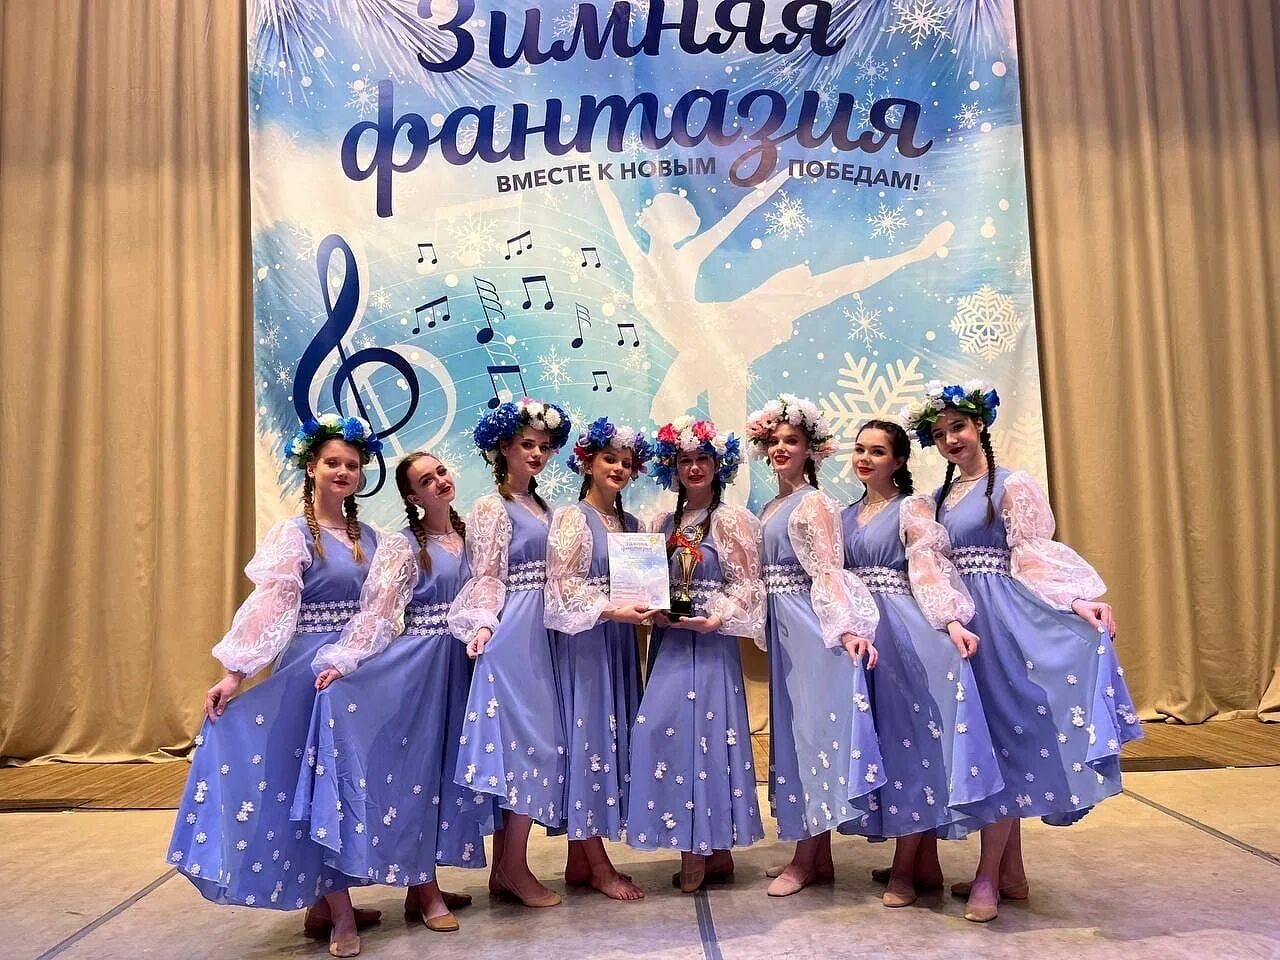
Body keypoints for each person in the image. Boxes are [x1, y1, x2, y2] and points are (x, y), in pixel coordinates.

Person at [904, 380, 1143, 922]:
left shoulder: (1012, 485)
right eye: (939, 434)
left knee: (1004, 744)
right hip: (960, 624)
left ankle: (989, 876)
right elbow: (932, 567)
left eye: (958, 427)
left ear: (980, 425)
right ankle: (1010, 872)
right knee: (984, 743)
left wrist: (1076, 600)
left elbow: (1032, 555)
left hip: (1002, 623)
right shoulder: (936, 500)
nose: (950, 440)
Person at [167, 414, 384, 958]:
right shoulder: (293, 534)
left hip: (353, 675)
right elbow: (271, 607)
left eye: (351, 464)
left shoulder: (371, 539)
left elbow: (381, 611)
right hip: (309, 675)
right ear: (311, 467)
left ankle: (324, 904)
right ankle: (340, 916)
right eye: (332, 462)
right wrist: (235, 672)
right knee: (314, 788)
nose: (343, 471)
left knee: (341, 788)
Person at [291, 451, 484, 936]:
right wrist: (344, 660)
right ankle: (425, 889)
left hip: (461, 667)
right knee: (415, 777)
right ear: (413, 498)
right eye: (426, 480)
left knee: (444, 777)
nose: (439, 482)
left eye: (441, 472)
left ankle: (423, 885)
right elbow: (379, 612)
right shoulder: (402, 546)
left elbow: (488, 593)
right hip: (418, 669)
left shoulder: (472, 538)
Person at [839, 419, 1002, 908]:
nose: (865, 458)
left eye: (878, 451)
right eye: (860, 449)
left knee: (910, 746)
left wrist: (951, 621)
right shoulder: (844, 515)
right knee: (884, 745)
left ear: (899, 460)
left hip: (903, 634)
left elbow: (928, 568)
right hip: (864, 636)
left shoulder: (912, 507)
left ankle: (907, 868)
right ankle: (923, 861)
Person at [746, 395, 883, 897]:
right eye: (774, 441)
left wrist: (846, 629)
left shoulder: (815, 503)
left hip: (810, 629)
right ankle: (815, 854)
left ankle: (807, 859)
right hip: (784, 631)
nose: (781, 448)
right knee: (793, 735)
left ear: (811, 450)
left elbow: (828, 571)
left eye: (792, 441)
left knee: (813, 737)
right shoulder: (771, 506)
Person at [627, 418, 766, 893]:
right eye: (684, 459)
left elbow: (747, 585)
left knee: (707, 736)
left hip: (709, 643)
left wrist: (715, 616)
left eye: (702, 458)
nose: (693, 467)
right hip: (671, 641)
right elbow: (646, 584)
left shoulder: (733, 521)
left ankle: (704, 851)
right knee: (664, 731)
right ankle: (706, 847)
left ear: (717, 464)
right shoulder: (661, 524)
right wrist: (652, 609)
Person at [448, 398, 573, 908]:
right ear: (503, 448)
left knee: (534, 745)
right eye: (527, 444)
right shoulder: (490, 508)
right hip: (514, 631)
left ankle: (506, 868)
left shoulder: (546, 509)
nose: (537, 454)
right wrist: (482, 625)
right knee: (523, 746)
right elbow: (485, 576)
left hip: (547, 629)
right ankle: (514, 867)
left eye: (544, 446)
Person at [545, 418, 653, 901]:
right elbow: (561, 585)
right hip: (587, 640)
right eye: (610, 459)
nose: (619, 469)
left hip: (620, 640)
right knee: (588, 739)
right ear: (588, 462)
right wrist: (610, 610)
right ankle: (598, 864)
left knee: (610, 738)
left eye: (627, 463)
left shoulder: (632, 526)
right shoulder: (573, 517)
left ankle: (579, 861)